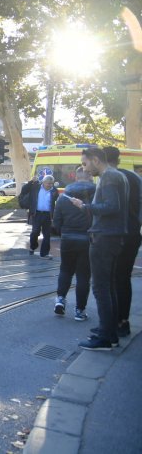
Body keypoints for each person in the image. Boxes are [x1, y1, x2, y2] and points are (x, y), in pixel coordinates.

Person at [69, 147, 129, 351]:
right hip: (112, 236)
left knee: (101, 287)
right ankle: (109, 332)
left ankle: (105, 337)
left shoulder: (109, 177)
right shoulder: (116, 175)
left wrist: (85, 206)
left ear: (95, 160)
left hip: (104, 237)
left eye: (85, 164)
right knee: (108, 286)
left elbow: (112, 206)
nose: (84, 169)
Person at [104, 147, 142, 338]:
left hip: (114, 236)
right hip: (132, 233)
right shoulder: (135, 177)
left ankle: (113, 323)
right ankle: (122, 321)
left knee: (110, 279)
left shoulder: (109, 178)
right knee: (123, 278)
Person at [52, 167, 95, 321]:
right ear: (90, 177)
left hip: (68, 239)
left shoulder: (64, 196)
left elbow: (56, 221)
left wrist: (64, 232)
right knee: (83, 276)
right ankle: (79, 310)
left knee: (65, 270)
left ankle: (60, 300)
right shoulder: (95, 194)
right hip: (87, 240)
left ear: (76, 177)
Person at [20, 174, 58, 259]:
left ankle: (44, 254)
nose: (50, 185)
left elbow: (55, 202)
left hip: (48, 215)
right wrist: (31, 182)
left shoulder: (54, 191)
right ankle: (33, 246)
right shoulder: (36, 187)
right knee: (35, 232)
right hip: (36, 214)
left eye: (51, 183)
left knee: (47, 235)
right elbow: (24, 190)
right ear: (43, 182)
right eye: (48, 183)